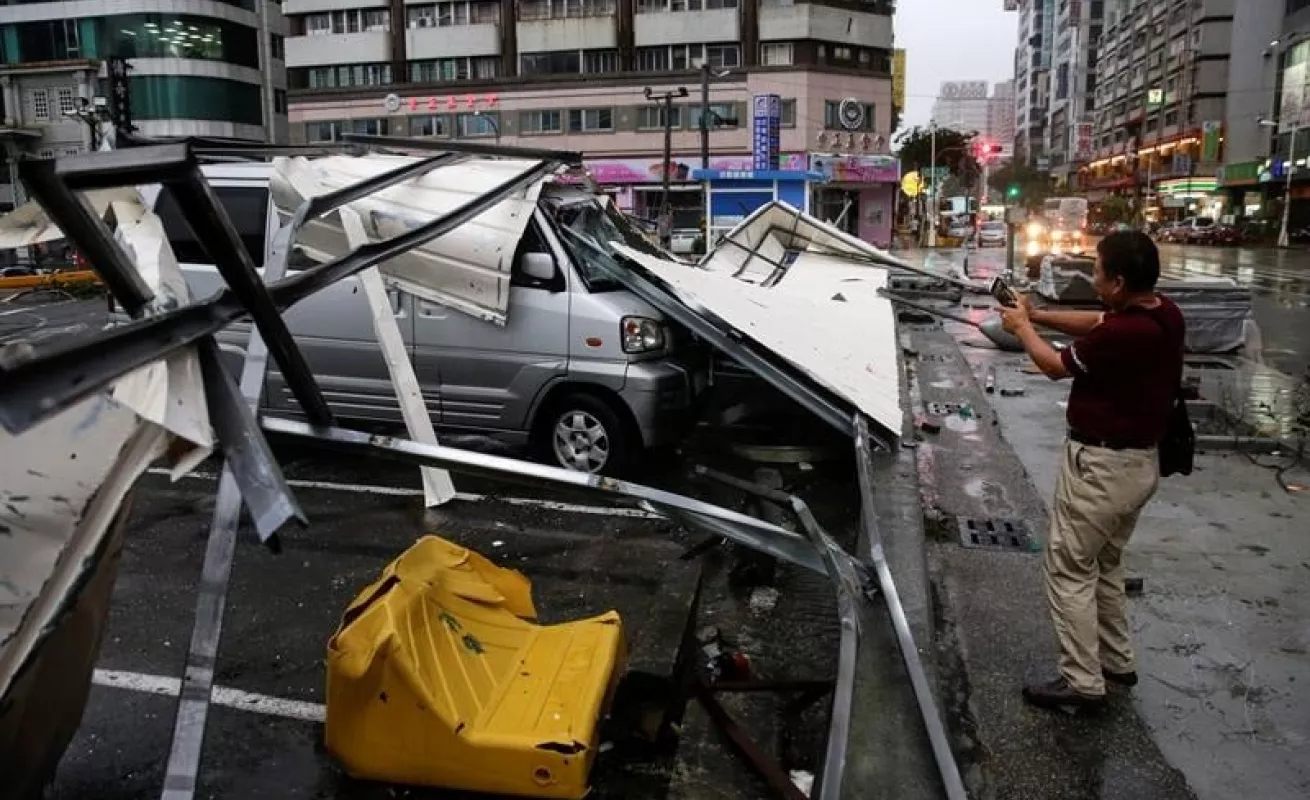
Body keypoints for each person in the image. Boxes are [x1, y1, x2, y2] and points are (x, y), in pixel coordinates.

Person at [1000, 230, 1185, 714]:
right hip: (1137, 466)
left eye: (1098, 269)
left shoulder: (1124, 335)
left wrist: (1022, 330)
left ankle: (1081, 683)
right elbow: (1096, 321)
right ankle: (1116, 661)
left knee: (1067, 567)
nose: (1092, 276)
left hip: (1101, 469)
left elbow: (1054, 365)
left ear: (1119, 281)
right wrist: (1035, 313)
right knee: (1104, 564)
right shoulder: (1161, 313)